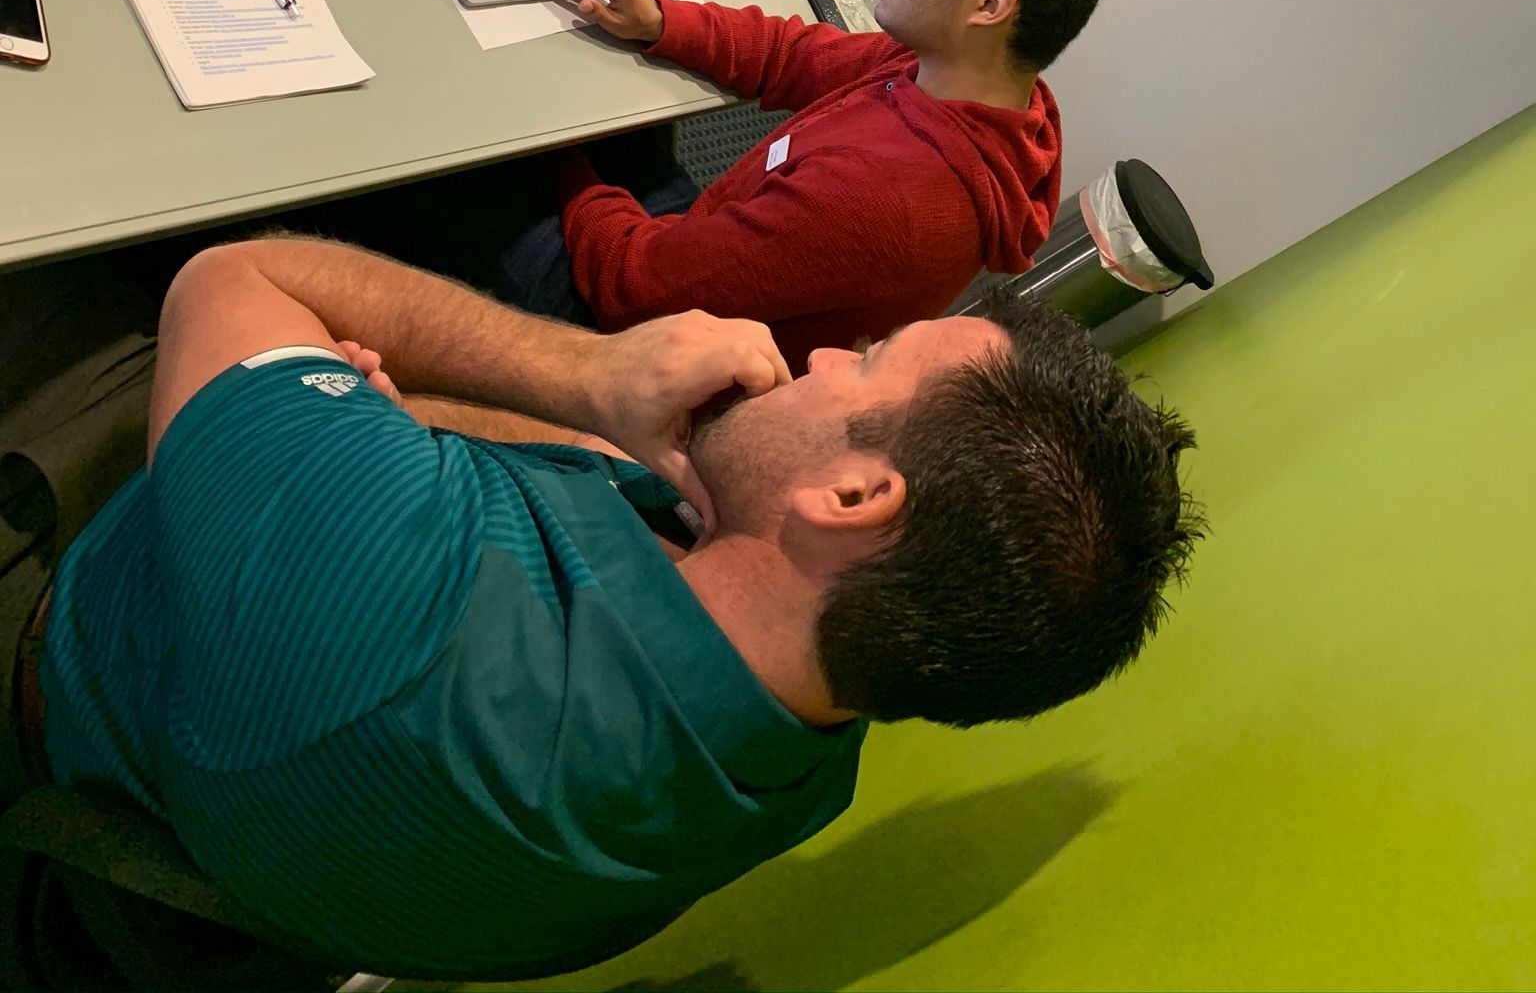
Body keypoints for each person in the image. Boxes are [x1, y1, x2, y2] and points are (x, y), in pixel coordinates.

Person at [26, 233, 1201, 981]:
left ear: (852, 493)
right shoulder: (799, 756)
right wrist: (407, 430)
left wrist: (577, 370)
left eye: (872, 360)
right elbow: (591, 481)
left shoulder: (408, 587)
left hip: (73, 621)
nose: (831, 353)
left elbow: (233, 278)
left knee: (97, 264)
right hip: (263, 833)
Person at [465, 0, 1111, 373]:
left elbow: (632, 291)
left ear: (991, 5)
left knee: (469, 143)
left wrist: (552, 145)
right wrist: (658, 18)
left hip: (635, 342)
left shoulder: (888, 198)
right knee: (609, 87)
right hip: (702, 244)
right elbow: (789, 56)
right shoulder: (965, 83)